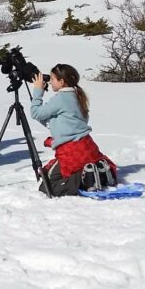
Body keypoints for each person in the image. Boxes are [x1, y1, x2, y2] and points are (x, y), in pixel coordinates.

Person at [31, 65, 117, 196]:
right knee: (53, 172)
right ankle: (100, 173)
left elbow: (35, 113)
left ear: (61, 82)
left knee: (47, 185)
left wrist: (38, 92)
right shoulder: (77, 96)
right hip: (88, 147)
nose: (49, 82)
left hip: (70, 151)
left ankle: (86, 179)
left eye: (52, 79)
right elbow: (66, 122)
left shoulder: (60, 98)